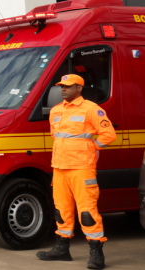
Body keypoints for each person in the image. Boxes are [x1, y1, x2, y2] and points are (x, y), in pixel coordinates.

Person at [36, 74, 116, 270]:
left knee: (87, 212)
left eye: (68, 86)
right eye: (61, 86)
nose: (63, 89)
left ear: (79, 89)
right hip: (60, 169)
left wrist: (93, 148)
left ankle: (97, 254)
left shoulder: (91, 109)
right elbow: (57, 137)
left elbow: (109, 134)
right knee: (61, 211)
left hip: (82, 169)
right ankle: (61, 250)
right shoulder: (55, 111)